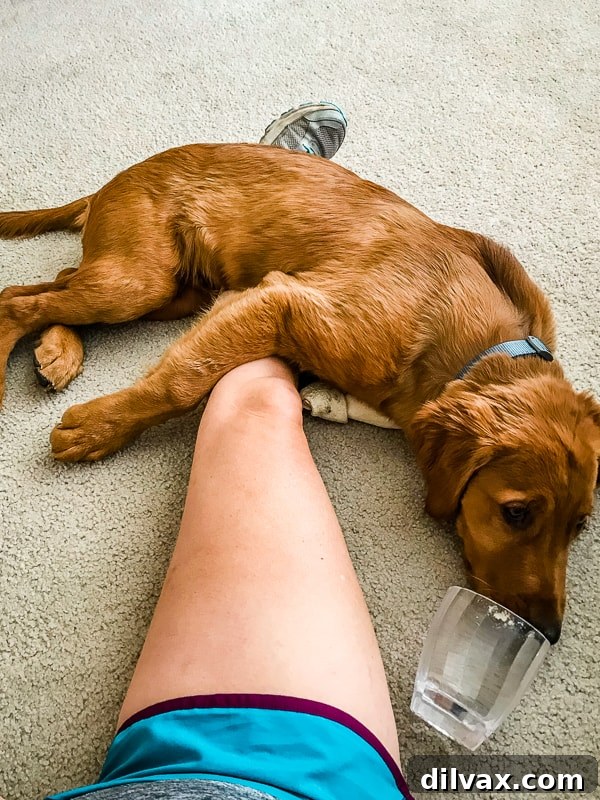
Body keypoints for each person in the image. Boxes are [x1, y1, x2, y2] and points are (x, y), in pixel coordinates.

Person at [46, 105, 412, 800]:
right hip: (306, 772)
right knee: (257, 370)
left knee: (191, 321)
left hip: (195, 771)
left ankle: (268, 209)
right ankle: (270, 227)